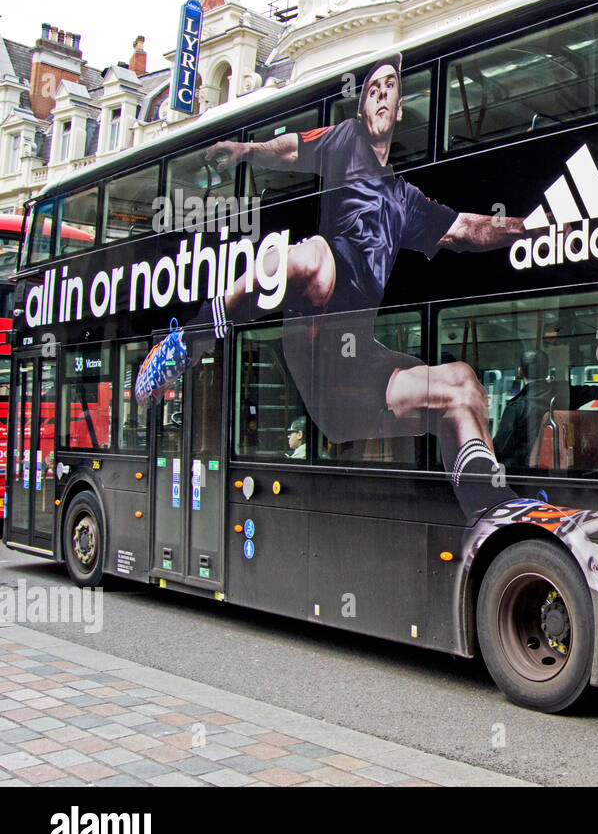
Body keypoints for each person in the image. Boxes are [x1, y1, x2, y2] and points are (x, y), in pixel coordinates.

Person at [142, 54, 529, 519]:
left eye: (390, 87)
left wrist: (532, 228)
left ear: (400, 108)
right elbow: (291, 150)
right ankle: (191, 339)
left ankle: (490, 512)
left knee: (461, 385)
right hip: (314, 341)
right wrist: (249, 151)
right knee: (313, 254)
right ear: (364, 108)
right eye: (372, 89)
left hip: (353, 380)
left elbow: (467, 229)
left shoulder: (406, 201)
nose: (382, 93)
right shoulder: (346, 139)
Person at [492, 350, 555, 470]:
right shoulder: (562, 396)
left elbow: (500, 449)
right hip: (553, 468)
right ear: (547, 371)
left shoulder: (517, 406)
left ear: (520, 371)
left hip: (522, 473)